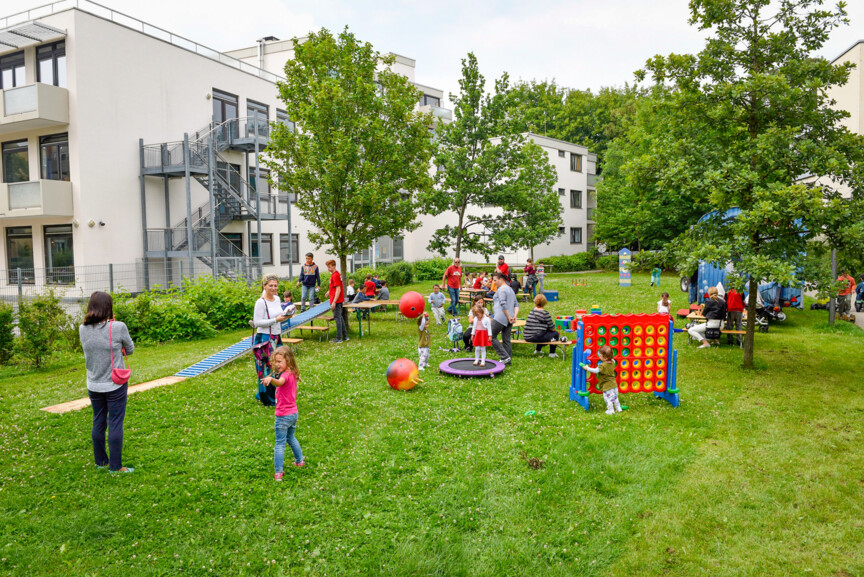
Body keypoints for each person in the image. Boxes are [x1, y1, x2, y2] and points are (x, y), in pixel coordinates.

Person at [79, 291, 135, 473]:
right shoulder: (118, 327)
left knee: (98, 421)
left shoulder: (82, 328)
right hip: (114, 383)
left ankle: (100, 461)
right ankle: (116, 467)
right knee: (115, 423)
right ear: (109, 308)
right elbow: (130, 349)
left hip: (93, 383)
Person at [262, 346, 304, 480]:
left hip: (283, 415)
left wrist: (271, 380)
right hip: (293, 413)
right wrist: (271, 377)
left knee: (280, 443)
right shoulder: (292, 372)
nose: (277, 364)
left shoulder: (285, 375)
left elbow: (279, 382)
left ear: (288, 361)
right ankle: (300, 461)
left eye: (280, 361)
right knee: (291, 438)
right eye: (275, 361)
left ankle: (278, 472)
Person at [253, 274, 289, 405]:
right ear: (264, 286)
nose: (273, 288)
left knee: (279, 365)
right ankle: (266, 398)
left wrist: (286, 315)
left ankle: (273, 393)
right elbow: (257, 322)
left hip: (276, 335)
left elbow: (279, 315)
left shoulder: (278, 299)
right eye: (270, 285)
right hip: (265, 338)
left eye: (275, 285)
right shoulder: (260, 302)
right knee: (266, 368)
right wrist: (275, 320)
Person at [580, 345, 621, 415]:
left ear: (606, 358)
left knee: (608, 399)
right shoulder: (613, 362)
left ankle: (610, 410)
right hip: (614, 385)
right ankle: (618, 408)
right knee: (615, 397)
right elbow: (612, 359)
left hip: (607, 386)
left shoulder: (603, 366)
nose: (599, 357)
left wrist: (587, 368)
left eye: (600, 356)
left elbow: (596, 370)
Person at [490, 272, 518, 365]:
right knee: (506, 339)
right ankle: (508, 360)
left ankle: (504, 356)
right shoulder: (510, 289)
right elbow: (516, 304)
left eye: (495, 280)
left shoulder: (502, 289)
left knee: (490, 335)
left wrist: (509, 316)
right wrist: (514, 316)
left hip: (501, 317)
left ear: (501, 279)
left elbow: (503, 303)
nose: (494, 282)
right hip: (509, 319)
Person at [326, 260, 348, 344]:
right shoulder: (335, 275)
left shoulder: (335, 275)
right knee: (340, 317)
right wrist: (329, 292)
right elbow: (334, 287)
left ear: (334, 266)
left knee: (337, 318)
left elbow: (338, 289)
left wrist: (334, 301)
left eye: (329, 267)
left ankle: (339, 338)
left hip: (337, 300)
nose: (328, 269)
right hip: (336, 299)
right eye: (328, 267)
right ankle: (345, 336)